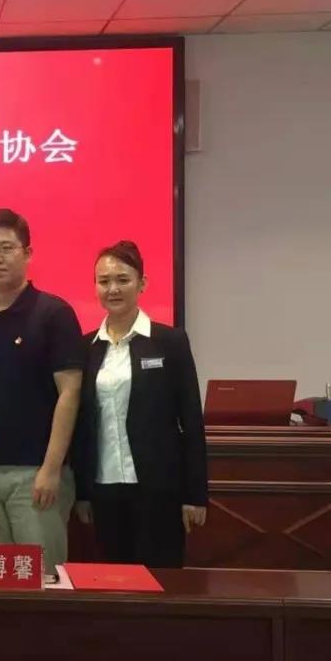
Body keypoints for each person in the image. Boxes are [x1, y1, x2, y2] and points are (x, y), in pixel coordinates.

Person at [0, 208, 83, 573]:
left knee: (43, 579)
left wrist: (51, 468)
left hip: (35, 474)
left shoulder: (54, 313)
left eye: (6, 248)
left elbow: (70, 392)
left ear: (27, 253)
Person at [73, 241, 207, 568]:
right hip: (104, 486)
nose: (113, 289)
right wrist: (82, 492)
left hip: (159, 487)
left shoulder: (170, 342)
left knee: (161, 579)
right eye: (104, 281)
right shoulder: (86, 347)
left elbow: (191, 421)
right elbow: (82, 426)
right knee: (112, 579)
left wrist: (195, 495)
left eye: (123, 279)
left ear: (142, 283)